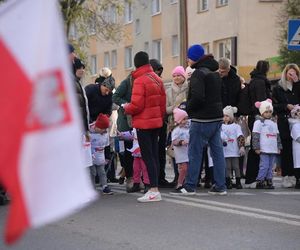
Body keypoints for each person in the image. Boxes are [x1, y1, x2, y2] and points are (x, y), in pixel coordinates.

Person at [173, 44, 227, 195]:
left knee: (195, 152)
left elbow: (197, 97)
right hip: (216, 117)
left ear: (194, 58)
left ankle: (190, 186)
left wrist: (187, 108)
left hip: (202, 118)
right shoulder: (214, 72)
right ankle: (220, 185)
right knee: (217, 153)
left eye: (189, 57)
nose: (187, 60)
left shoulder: (198, 74)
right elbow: (222, 93)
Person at [123, 51, 166, 202]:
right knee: (154, 156)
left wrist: (126, 108)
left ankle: (153, 189)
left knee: (147, 156)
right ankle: (155, 187)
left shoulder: (140, 80)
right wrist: (160, 120)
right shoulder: (157, 79)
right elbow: (162, 104)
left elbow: (136, 105)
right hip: (156, 123)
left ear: (136, 64)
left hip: (143, 123)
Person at [244, 60, 271, 188]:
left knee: (255, 148)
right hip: (259, 118)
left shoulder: (253, 81)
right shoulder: (261, 82)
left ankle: (253, 177)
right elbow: (262, 102)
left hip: (252, 116)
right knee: (258, 148)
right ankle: (254, 178)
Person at [272, 63, 300, 188]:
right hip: (284, 120)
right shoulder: (278, 87)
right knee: (287, 149)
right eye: (290, 73)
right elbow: (274, 105)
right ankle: (287, 175)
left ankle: (297, 175)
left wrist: (298, 83)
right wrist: (285, 106)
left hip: (297, 121)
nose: (292, 76)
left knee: (297, 150)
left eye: (294, 74)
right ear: (285, 73)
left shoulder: (298, 85)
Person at [166, 66, 188, 185]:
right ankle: (177, 176)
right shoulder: (169, 91)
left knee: (188, 149)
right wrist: (175, 107)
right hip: (173, 122)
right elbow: (165, 108)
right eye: (174, 76)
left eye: (179, 75)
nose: (176, 78)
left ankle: (188, 177)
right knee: (174, 149)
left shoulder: (188, 88)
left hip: (187, 121)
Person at [150, 59, 171, 187]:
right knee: (151, 151)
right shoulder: (142, 81)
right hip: (150, 120)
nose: (158, 74)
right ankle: (152, 179)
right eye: (156, 71)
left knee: (160, 151)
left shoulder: (161, 83)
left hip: (161, 120)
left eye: (159, 72)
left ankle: (161, 177)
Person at [252, 99, 282, 189]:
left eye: (270, 112)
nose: (268, 113)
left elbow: (277, 135)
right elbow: (255, 136)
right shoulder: (258, 122)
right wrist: (256, 147)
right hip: (264, 149)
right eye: (266, 112)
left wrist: (278, 146)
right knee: (264, 165)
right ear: (261, 112)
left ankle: (269, 180)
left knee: (271, 167)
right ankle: (260, 180)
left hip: (272, 149)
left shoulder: (274, 123)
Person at [112, 73, 134, 189]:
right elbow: (115, 97)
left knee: (137, 152)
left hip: (138, 120)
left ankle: (135, 177)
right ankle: (129, 176)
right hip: (125, 122)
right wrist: (126, 104)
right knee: (127, 152)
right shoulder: (127, 83)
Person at [118, 128, 150, 193]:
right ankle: (136, 184)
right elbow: (131, 134)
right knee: (136, 169)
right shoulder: (135, 129)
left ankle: (147, 184)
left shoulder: (145, 128)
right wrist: (122, 134)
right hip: (136, 153)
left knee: (145, 169)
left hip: (143, 152)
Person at [221, 106, 245, 189]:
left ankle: (238, 182)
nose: (225, 118)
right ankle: (228, 182)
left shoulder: (236, 126)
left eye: (227, 116)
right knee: (227, 167)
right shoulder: (221, 126)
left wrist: (241, 146)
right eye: (224, 116)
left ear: (231, 117)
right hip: (225, 151)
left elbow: (240, 136)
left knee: (236, 167)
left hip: (234, 151)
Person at [90, 113, 113, 195]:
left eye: (104, 129)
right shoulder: (89, 132)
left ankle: (105, 186)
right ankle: (91, 188)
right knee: (92, 172)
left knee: (102, 172)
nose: (103, 131)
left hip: (100, 155)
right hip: (91, 155)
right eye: (101, 128)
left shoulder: (105, 134)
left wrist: (107, 157)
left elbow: (107, 146)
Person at [170, 108, 190, 192]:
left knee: (188, 169)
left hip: (188, 152)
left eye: (186, 118)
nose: (186, 121)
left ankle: (185, 183)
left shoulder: (188, 129)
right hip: (181, 153)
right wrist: (181, 142)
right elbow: (174, 141)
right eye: (183, 119)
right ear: (178, 120)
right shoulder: (176, 130)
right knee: (184, 168)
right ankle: (179, 184)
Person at [73, 58, 90, 135]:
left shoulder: (78, 83)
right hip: (76, 127)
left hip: (81, 127)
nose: (82, 70)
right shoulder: (72, 83)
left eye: (83, 68)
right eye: (79, 68)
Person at [289, 105, 300, 188]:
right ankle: (298, 180)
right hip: (298, 148)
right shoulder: (295, 125)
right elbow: (297, 137)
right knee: (298, 164)